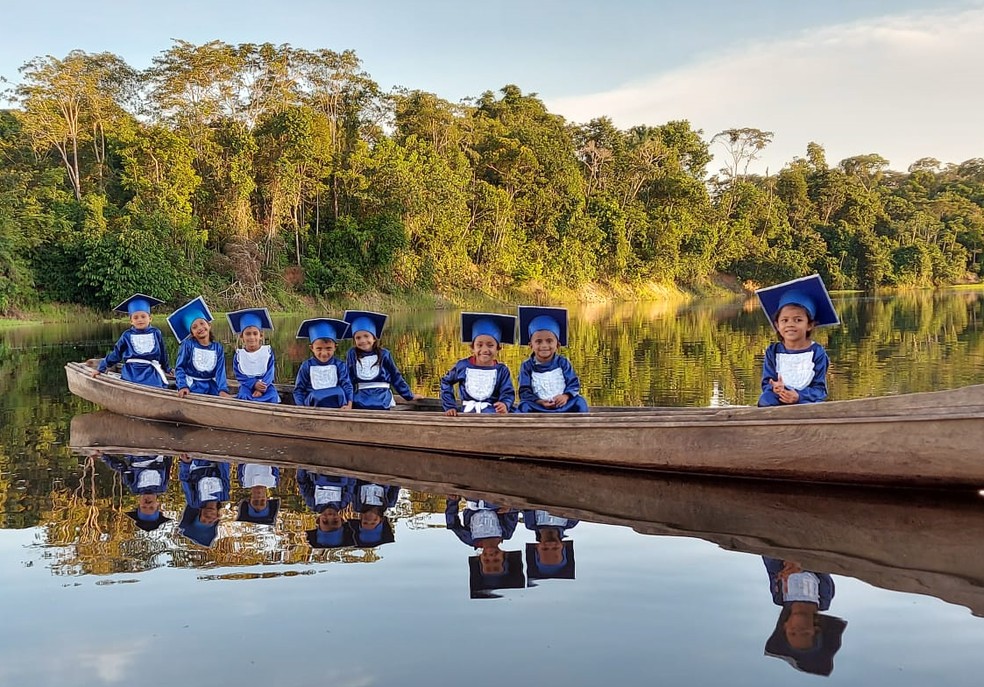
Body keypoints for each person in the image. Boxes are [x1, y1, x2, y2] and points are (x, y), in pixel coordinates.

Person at [754, 274, 838, 407]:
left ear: (809, 325)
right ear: (777, 325)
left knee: (813, 405)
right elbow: (767, 382)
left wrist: (799, 396)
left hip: (806, 399)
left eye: (798, 320)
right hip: (779, 397)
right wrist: (776, 388)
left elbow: (819, 390)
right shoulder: (773, 351)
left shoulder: (817, 352)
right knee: (766, 399)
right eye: (784, 320)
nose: (790, 324)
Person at [763, 557, 847, 677]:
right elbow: (824, 568)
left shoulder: (779, 597)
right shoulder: (823, 598)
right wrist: (803, 564)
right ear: (816, 629)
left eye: (792, 633)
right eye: (804, 633)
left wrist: (782, 561)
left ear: (785, 626)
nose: (798, 629)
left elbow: (770, 565)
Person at [445, 496, 523, 597]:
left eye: (486, 561)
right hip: (496, 499)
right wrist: (510, 508)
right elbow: (513, 513)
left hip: (472, 497)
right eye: (496, 560)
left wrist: (453, 501)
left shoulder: (470, 538)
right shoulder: (506, 533)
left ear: (480, 560)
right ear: (504, 556)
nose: (491, 557)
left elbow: (452, 524)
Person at [440, 312, 517, 415]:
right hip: (466, 415)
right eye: (479, 345)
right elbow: (446, 382)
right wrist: (450, 406)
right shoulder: (463, 366)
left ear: (498, 348)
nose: (484, 350)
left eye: (490, 345)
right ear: (472, 347)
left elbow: (507, 392)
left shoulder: (501, 371)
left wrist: (504, 404)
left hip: (493, 415)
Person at [516, 306, 588, 413]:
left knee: (580, 401)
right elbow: (525, 391)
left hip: (563, 405)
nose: (544, 346)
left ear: (558, 345)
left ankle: (583, 427)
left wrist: (565, 396)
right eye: (538, 342)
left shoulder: (563, 362)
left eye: (549, 341)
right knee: (523, 406)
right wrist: (540, 401)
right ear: (531, 345)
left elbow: (573, 383)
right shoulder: (527, 366)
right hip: (539, 407)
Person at [343, 310, 419, 410]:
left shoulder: (384, 354)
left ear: (374, 338)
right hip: (361, 397)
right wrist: (348, 402)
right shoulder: (352, 354)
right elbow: (348, 379)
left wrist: (409, 395)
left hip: (382, 397)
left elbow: (395, 377)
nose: (362, 341)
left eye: (366, 336)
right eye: (358, 338)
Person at [93, 293, 170, 387]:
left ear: (150, 318)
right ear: (131, 321)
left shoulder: (156, 333)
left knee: (157, 386)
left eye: (143, 316)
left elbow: (163, 353)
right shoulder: (127, 335)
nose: (140, 320)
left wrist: (167, 369)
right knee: (131, 384)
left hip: (150, 371)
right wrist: (101, 367)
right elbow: (116, 354)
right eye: (135, 317)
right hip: (132, 371)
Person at [168, 296, 230, 398]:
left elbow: (220, 372)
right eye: (194, 327)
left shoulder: (218, 347)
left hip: (211, 386)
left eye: (202, 323)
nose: (200, 328)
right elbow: (180, 368)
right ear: (192, 333)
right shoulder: (188, 345)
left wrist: (222, 389)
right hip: (192, 386)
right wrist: (183, 386)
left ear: (209, 325)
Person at [100, 452, 172, 532]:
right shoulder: (162, 487)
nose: (147, 503)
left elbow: (121, 467)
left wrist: (104, 457)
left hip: (136, 453)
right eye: (151, 507)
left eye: (144, 507)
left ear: (139, 504)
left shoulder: (134, 488)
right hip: (157, 453)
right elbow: (168, 465)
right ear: (158, 505)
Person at [293, 318, 354, 408]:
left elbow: (347, 385)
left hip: (338, 407)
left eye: (328, 348)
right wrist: (301, 407)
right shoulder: (306, 366)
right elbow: (299, 390)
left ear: (335, 347)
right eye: (319, 349)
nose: (324, 353)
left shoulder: (340, 365)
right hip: (313, 408)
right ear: (312, 348)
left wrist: (349, 405)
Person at [228, 307, 280, 404]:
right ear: (242, 337)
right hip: (247, 386)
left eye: (255, 333)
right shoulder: (239, 356)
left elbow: (270, 372)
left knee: (272, 396)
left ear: (261, 336)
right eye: (248, 334)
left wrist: (260, 389)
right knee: (244, 396)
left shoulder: (267, 352)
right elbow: (239, 375)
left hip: (266, 386)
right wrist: (253, 384)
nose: (252, 337)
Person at [177, 456, 230, 547]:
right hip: (216, 458)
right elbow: (225, 474)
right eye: (210, 522)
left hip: (196, 461)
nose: (208, 517)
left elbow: (185, 480)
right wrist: (223, 458)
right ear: (217, 518)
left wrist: (186, 463)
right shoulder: (223, 496)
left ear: (199, 515)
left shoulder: (194, 502)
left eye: (203, 520)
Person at [297, 469, 355, 549]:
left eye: (325, 521)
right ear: (341, 520)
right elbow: (351, 483)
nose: (330, 516)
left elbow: (302, 483)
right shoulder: (343, 502)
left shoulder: (313, 503)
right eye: (335, 521)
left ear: (318, 520)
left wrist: (302, 468)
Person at [522, 509, 578, 585]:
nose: (550, 544)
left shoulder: (531, 523)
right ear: (563, 545)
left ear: (536, 547)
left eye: (545, 549)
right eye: (555, 548)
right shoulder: (571, 522)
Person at [348, 480, 399, 547]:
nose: (369, 520)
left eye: (365, 522)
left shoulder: (357, 505)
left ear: (360, 519)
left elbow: (352, 487)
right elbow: (396, 484)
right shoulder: (389, 502)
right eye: (373, 522)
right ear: (381, 520)